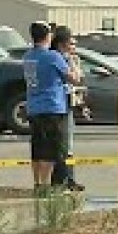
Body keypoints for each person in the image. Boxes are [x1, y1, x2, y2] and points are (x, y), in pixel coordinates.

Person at [22, 21, 76, 196]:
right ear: (48, 36)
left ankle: (37, 182)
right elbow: (73, 78)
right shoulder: (52, 56)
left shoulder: (28, 56)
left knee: (37, 148)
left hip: (33, 106)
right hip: (52, 106)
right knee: (50, 150)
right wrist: (74, 63)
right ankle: (45, 185)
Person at [49, 26, 86, 192]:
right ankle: (61, 180)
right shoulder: (59, 59)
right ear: (62, 44)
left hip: (68, 102)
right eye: (71, 43)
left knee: (68, 143)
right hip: (60, 104)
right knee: (63, 143)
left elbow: (78, 79)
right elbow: (75, 78)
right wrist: (72, 62)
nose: (74, 47)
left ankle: (68, 178)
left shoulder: (68, 58)